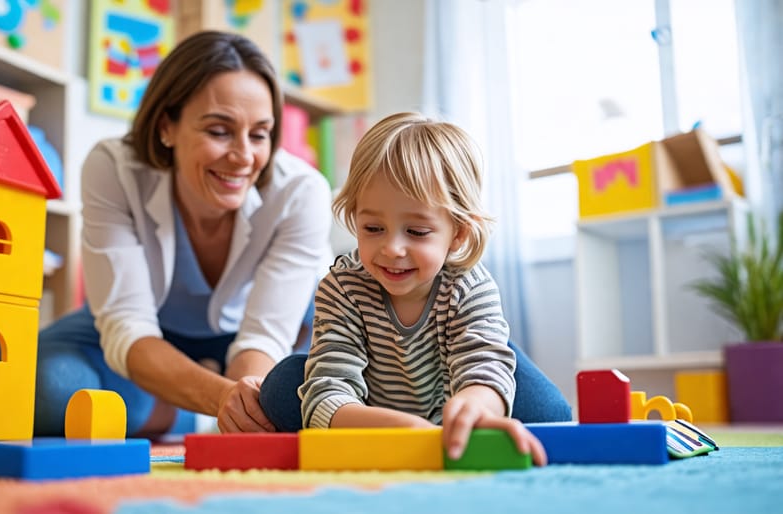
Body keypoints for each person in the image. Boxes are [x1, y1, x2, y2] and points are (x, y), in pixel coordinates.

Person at [34, 30, 333, 437]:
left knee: (308, 399)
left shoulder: (301, 191)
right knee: (53, 394)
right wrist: (223, 401)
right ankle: (181, 414)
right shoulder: (113, 168)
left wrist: (245, 406)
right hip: (147, 330)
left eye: (259, 134)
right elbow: (127, 324)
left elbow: (265, 335)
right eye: (219, 131)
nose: (244, 156)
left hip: (266, 340)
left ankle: (168, 403)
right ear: (166, 127)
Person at [260, 112, 572, 465]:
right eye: (373, 228)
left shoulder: (469, 285)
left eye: (417, 232)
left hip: (459, 396)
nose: (392, 248)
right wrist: (406, 431)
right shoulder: (342, 288)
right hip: (372, 419)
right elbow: (330, 387)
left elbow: (483, 368)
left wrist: (474, 404)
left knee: (550, 415)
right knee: (281, 385)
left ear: (458, 233)